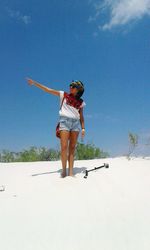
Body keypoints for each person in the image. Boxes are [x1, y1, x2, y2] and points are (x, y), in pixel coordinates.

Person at [27, 78, 86, 177]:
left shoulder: (81, 102)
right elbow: (48, 90)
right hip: (64, 122)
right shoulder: (63, 94)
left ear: (78, 89)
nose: (70, 87)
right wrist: (35, 83)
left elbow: (81, 116)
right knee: (63, 147)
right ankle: (64, 171)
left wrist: (83, 128)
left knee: (72, 148)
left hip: (75, 124)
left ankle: (71, 172)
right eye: (70, 85)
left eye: (73, 86)